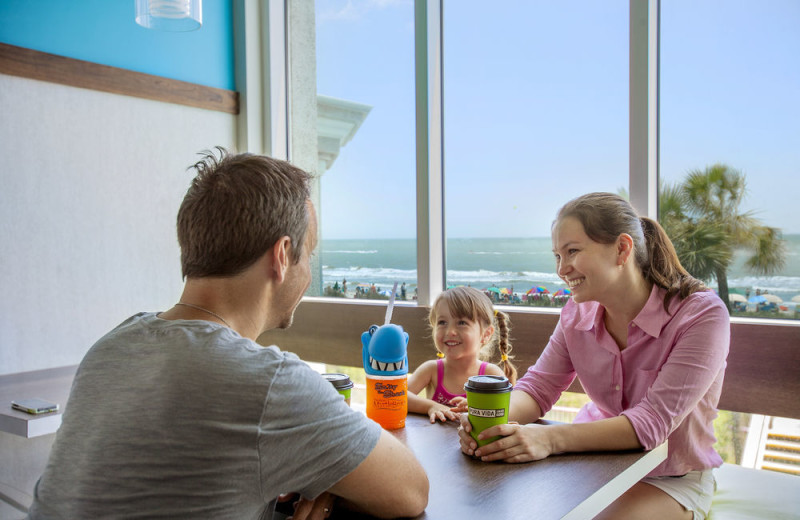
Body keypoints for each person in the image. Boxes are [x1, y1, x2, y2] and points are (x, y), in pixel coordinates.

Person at [28, 149, 428, 520]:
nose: (307, 273)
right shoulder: (269, 383)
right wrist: (332, 475)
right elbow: (411, 490)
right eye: (309, 255)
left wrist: (311, 464)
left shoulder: (111, 347)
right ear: (282, 256)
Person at [458, 192, 729, 520]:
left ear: (622, 249)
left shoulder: (700, 315)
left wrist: (550, 439)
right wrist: (489, 424)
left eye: (572, 251)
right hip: (593, 461)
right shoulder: (575, 314)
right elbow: (537, 389)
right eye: (557, 255)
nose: (561, 269)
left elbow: (653, 423)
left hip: (670, 478)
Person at [408, 286, 518, 423]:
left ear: (486, 334)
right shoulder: (431, 370)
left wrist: (477, 408)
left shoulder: (491, 375)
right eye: (442, 322)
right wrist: (431, 406)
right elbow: (398, 397)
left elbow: (508, 410)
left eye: (462, 323)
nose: (450, 331)